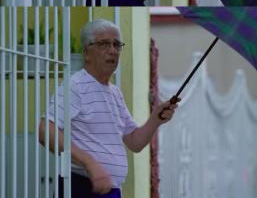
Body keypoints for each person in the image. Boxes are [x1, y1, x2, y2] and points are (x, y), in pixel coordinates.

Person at [39, 19, 179, 197]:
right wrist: (90, 164)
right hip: (83, 186)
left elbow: (134, 142)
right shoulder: (76, 86)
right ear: (86, 52)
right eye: (104, 44)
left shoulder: (114, 93)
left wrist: (155, 119)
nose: (113, 50)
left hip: (110, 190)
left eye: (117, 44)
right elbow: (45, 130)